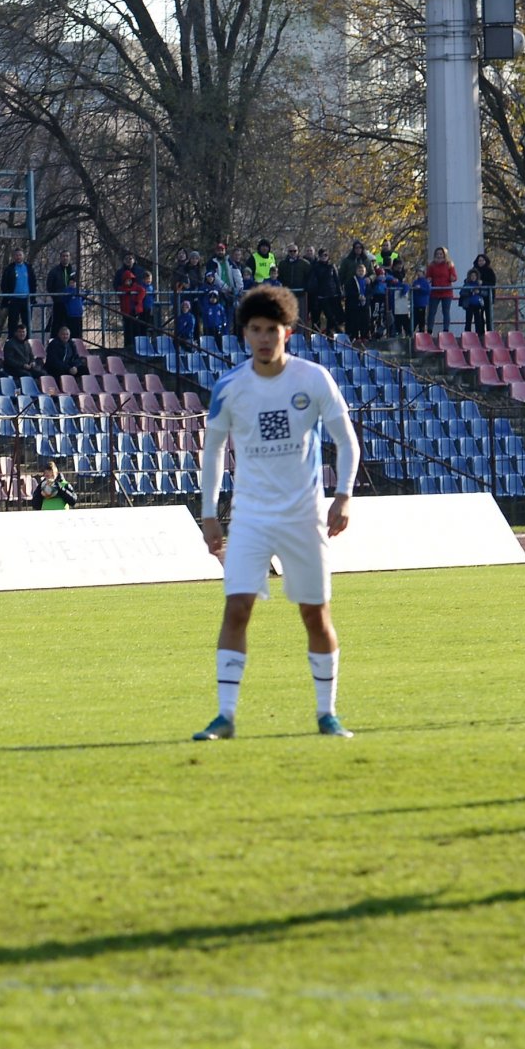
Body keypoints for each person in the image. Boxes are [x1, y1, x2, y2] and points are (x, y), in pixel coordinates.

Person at [193, 285, 359, 742]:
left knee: (315, 614)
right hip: (249, 517)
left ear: (287, 331)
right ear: (245, 334)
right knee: (237, 608)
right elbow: (212, 453)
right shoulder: (230, 388)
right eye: (255, 330)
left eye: (272, 330)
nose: (264, 338)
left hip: (304, 516)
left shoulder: (313, 379)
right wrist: (209, 514)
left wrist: (343, 495)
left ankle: (327, 715)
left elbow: (346, 440)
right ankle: (225, 717)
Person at [45, 250, 80, 337]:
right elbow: (49, 286)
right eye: (63, 256)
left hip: (71, 304)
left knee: (71, 325)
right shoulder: (54, 271)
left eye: (67, 256)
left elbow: (78, 284)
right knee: (57, 324)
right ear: (60, 258)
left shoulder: (73, 271)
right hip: (59, 302)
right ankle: (54, 343)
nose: (65, 258)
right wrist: (57, 297)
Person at [460, 255, 494, 336]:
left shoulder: (489, 271)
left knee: (486, 317)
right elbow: (463, 291)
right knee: (470, 319)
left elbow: (492, 283)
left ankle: (487, 334)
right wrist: (470, 291)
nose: (481, 262)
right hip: (470, 303)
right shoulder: (472, 273)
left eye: (482, 260)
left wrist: (481, 287)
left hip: (484, 299)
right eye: (479, 260)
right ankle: (470, 334)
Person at [425, 246, 457, 332]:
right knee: (432, 312)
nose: (439, 256)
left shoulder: (449, 264)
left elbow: (454, 277)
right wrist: (428, 279)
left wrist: (452, 278)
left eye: (441, 254)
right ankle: (429, 330)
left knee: (446, 312)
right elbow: (428, 276)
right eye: (437, 254)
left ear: (444, 255)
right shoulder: (432, 265)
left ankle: (446, 330)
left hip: (446, 292)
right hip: (435, 292)